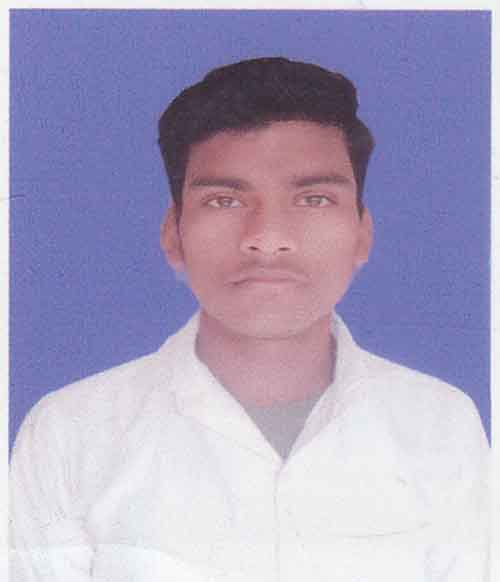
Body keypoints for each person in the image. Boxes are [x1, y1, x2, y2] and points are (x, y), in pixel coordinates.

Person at [9, 57, 489, 582]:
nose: (267, 237)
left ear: (362, 234)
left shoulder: (440, 426)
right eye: (224, 200)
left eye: (313, 198)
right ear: (173, 234)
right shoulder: (72, 433)